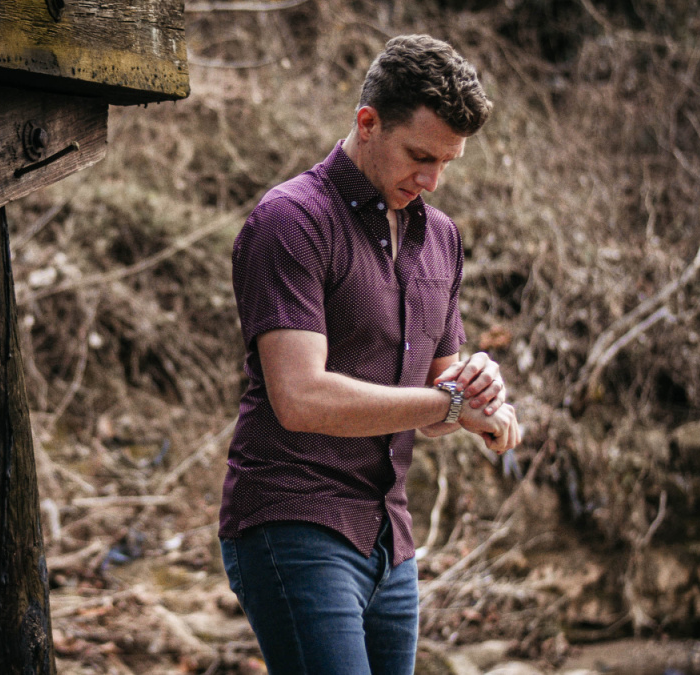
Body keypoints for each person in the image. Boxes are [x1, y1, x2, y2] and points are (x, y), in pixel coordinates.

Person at [218, 35, 522, 674]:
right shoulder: (291, 220)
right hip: (295, 520)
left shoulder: (440, 239)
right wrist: (450, 401)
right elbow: (300, 398)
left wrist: (483, 391)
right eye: (419, 155)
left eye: (448, 162)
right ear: (367, 122)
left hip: (391, 538)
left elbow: (440, 397)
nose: (432, 178)